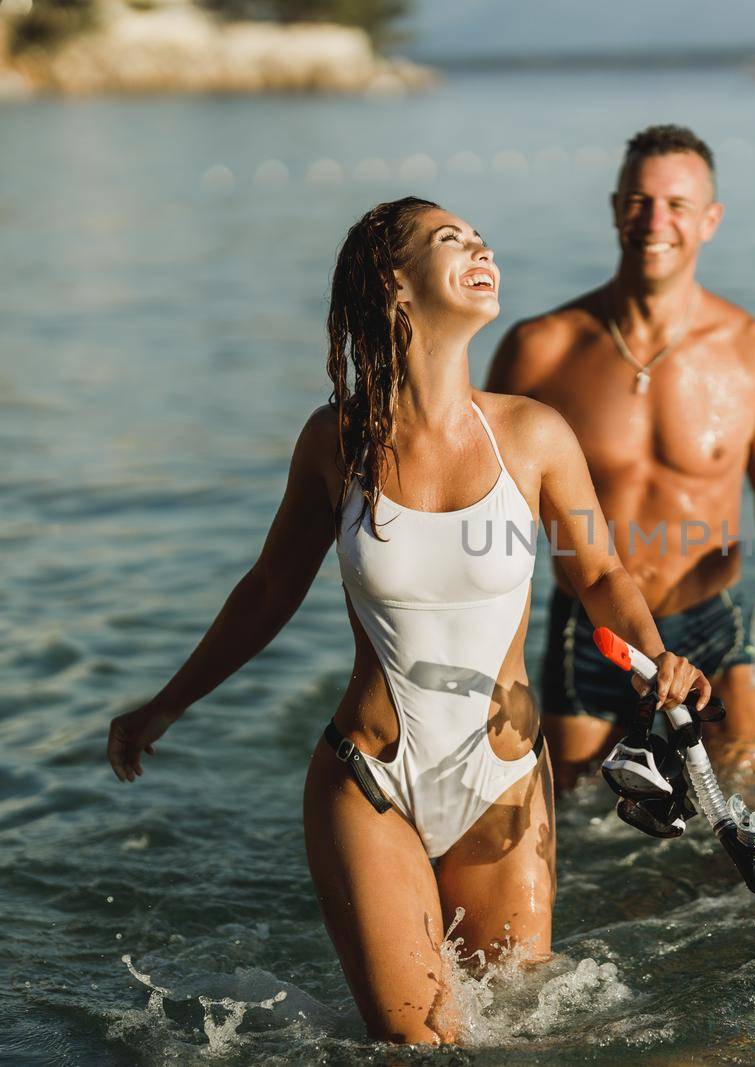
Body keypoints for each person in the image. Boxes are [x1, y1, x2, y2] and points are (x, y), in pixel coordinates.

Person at [105, 197, 712, 1046]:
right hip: (368, 780)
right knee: (420, 1045)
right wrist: (166, 703)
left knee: (524, 1031)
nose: (481, 247)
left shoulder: (533, 433)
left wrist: (660, 659)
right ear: (396, 285)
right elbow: (271, 587)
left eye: (480, 237)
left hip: (501, 781)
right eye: (449, 240)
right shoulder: (336, 440)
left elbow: (602, 572)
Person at [487, 125, 755, 792]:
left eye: (677, 205)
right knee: (570, 826)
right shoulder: (541, 349)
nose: (655, 221)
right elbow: (481, 496)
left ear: (711, 220)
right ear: (615, 208)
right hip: (594, 630)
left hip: (711, 621)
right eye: (639, 201)